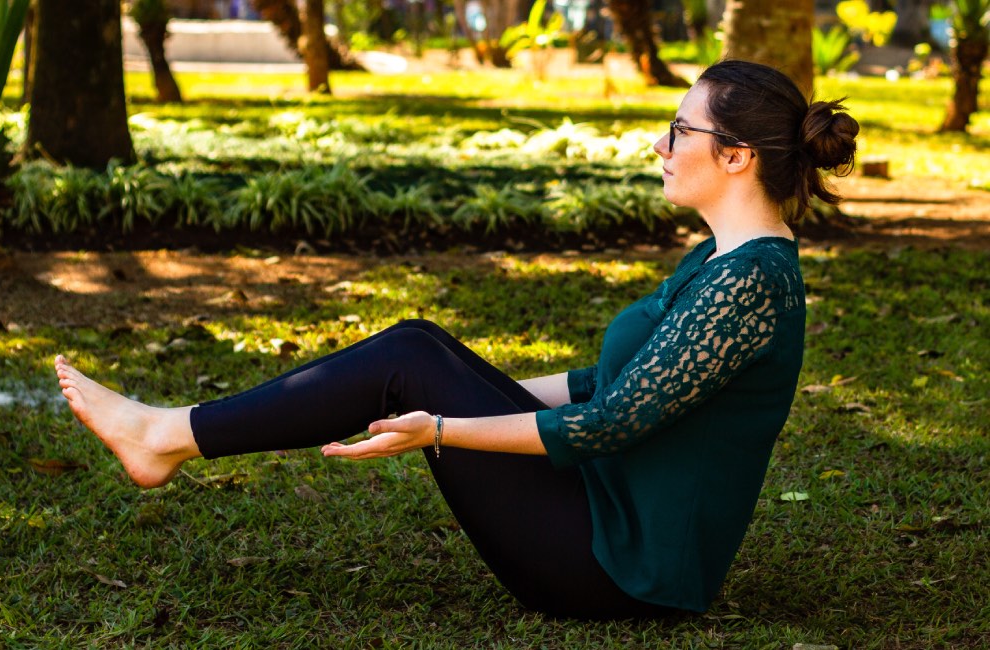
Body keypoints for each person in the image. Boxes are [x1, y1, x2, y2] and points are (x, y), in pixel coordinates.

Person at [54, 60, 859, 620]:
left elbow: (610, 426)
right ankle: (168, 434)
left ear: (738, 156)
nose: (660, 145)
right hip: (604, 521)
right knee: (418, 352)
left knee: (412, 358)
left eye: (680, 130)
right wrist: (462, 392)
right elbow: (602, 385)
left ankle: (163, 436)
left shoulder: (751, 282)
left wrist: (439, 425)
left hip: (622, 572)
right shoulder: (722, 259)